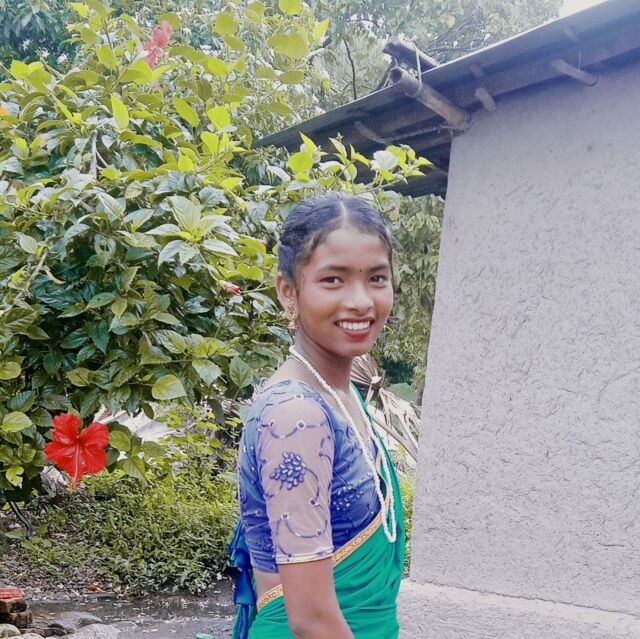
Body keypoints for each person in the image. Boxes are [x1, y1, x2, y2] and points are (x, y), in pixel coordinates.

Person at [229, 192, 405, 639]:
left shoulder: (342, 395)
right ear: (288, 291)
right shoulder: (296, 415)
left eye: (376, 278)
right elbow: (310, 620)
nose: (361, 301)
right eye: (333, 280)